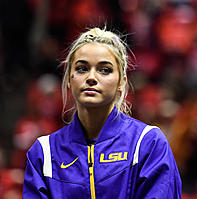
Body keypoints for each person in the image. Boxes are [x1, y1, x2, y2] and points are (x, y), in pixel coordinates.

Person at [22, 27, 182, 198]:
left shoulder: (148, 143)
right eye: (82, 68)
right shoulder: (44, 153)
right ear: (69, 79)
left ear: (122, 82)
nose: (91, 77)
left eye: (104, 70)